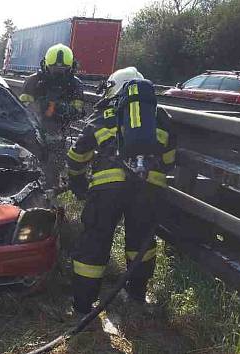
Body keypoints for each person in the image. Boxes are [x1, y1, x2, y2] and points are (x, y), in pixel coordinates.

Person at [66, 67, 177, 319]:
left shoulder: (103, 115)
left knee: (95, 241)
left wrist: (77, 182)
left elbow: (76, 155)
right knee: (141, 243)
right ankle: (136, 295)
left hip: (107, 188)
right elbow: (169, 159)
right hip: (149, 187)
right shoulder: (159, 116)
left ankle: (83, 306)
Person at [19, 43, 85, 191]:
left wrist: (60, 108)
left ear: (71, 67)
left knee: (53, 168)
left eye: (62, 70)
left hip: (58, 130)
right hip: (32, 129)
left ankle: (49, 195)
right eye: (54, 70)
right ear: (45, 65)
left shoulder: (75, 84)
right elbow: (22, 109)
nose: (58, 74)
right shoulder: (33, 81)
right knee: (27, 163)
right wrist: (40, 107)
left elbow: (78, 111)